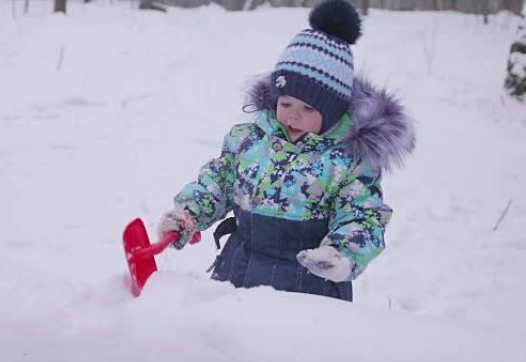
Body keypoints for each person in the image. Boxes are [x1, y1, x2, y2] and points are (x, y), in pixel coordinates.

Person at [157, 0, 415, 302]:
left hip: (308, 289)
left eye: (308, 108)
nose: (293, 116)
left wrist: (341, 253)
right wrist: (188, 214)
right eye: (286, 103)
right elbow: (219, 182)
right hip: (236, 278)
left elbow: (363, 215)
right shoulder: (249, 142)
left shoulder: (347, 164)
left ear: (332, 113)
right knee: (224, 347)